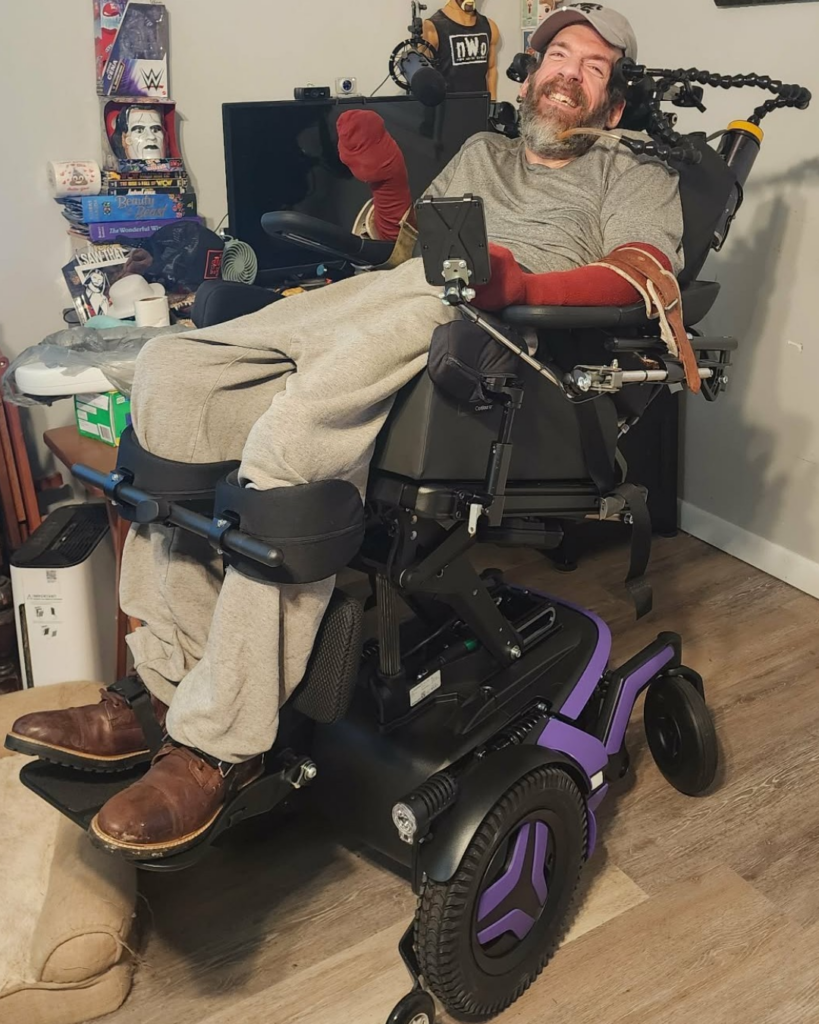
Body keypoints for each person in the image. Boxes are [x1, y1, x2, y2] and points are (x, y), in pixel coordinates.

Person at [9, 4, 684, 859]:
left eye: (593, 66)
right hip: (395, 298)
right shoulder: (482, 152)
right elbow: (405, 254)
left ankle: (220, 745)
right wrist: (393, 195)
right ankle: (160, 693)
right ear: (528, 74)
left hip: (490, 329)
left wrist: (510, 280)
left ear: (613, 101)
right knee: (173, 377)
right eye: (557, 55)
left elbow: (642, 275)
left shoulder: (634, 166)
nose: (568, 72)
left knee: (291, 450)